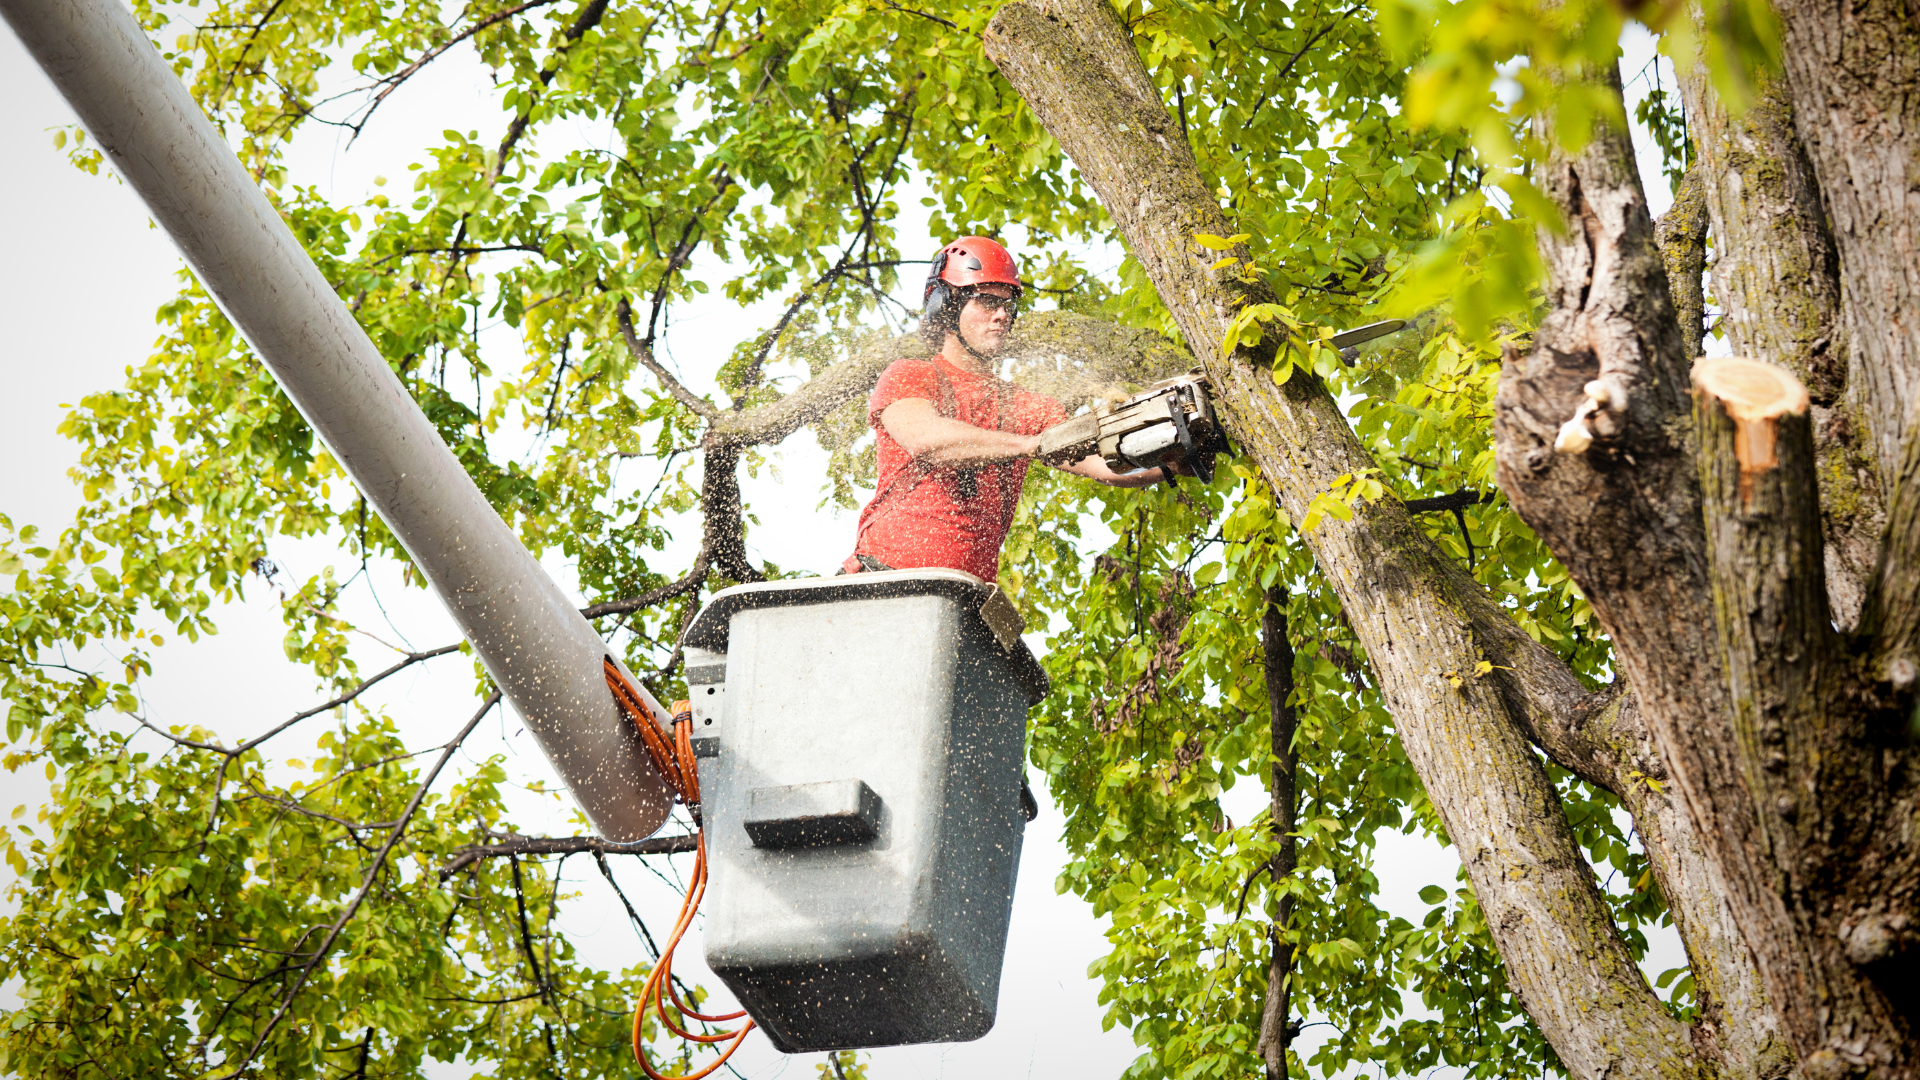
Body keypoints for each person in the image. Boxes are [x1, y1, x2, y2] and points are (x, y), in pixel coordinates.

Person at [841, 236, 1175, 580]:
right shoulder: (911, 375)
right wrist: (1029, 445)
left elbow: (1104, 465)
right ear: (946, 306)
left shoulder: (1027, 407)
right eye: (987, 301)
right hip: (883, 581)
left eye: (1008, 305)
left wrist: (1170, 462)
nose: (1002, 315)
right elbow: (928, 441)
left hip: (968, 595)